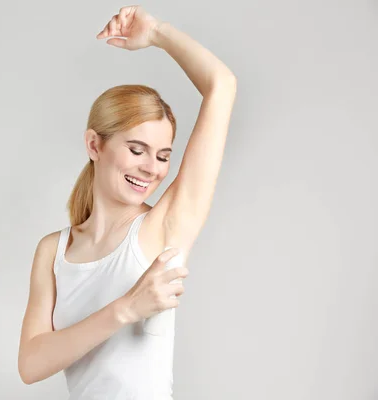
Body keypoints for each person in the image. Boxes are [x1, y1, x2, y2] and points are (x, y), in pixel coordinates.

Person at [18, 5, 237, 399]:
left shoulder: (165, 226)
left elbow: (222, 85)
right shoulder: (53, 251)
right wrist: (125, 309)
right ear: (94, 145)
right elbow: (31, 364)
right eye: (137, 149)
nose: (152, 168)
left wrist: (156, 33)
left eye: (163, 155)